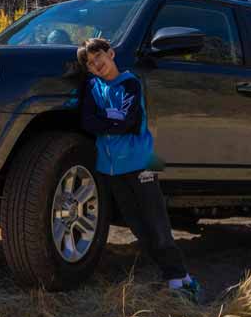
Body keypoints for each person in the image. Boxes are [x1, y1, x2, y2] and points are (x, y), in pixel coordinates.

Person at [76, 36, 201, 302]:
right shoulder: (92, 87)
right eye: (90, 62)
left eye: (99, 56)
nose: (96, 64)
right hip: (110, 168)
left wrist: (103, 119)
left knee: (156, 221)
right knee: (136, 224)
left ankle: (183, 279)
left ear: (110, 53)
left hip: (142, 160)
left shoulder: (130, 83)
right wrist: (110, 118)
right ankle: (169, 275)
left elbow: (129, 121)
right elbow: (87, 121)